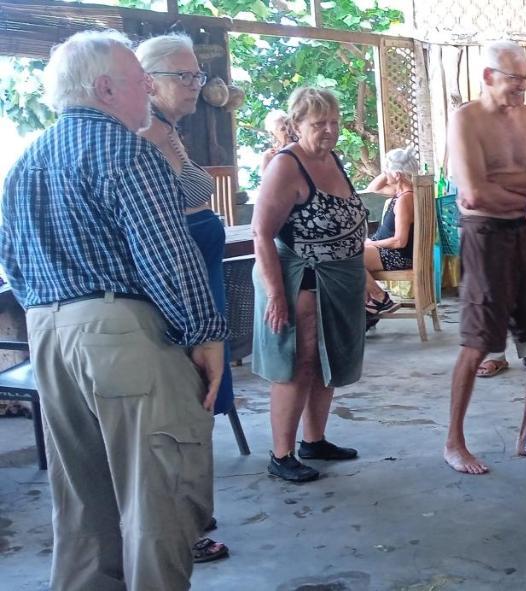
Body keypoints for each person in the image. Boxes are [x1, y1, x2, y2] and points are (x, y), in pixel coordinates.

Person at [0, 30, 227, 590]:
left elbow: (13, 258)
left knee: (83, 505)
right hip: (120, 335)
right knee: (159, 501)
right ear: (105, 87)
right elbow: (168, 257)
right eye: (138, 79)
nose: (148, 89)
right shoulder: (123, 148)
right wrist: (206, 334)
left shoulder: (30, 157)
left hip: (48, 333)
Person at [135, 32, 231, 565]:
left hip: (198, 283)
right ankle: (179, 527)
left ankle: (190, 510)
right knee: (179, 409)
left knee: (198, 404)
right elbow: (175, 214)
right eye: (185, 76)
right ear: (147, 81)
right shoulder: (146, 134)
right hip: (177, 295)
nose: (197, 85)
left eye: (198, 75)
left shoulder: (169, 129)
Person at [252, 87, 367, 483]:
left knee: (326, 359)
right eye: (319, 124)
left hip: (338, 280)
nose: (330, 131)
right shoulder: (286, 166)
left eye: (334, 122)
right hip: (303, 279)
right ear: (296, 124)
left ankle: (314, 440)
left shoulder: (332, 158)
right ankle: (281, 453)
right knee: (297, 363)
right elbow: (261, 233)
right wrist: (276, 295)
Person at [444, 40, 526, 474]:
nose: (521, 89)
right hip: (484, 234)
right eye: (513, 80)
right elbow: (473, 192)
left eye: (525, 80)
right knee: (477, 341)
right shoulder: (466, 119)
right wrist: (519, 190)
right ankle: (453, 441)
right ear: (488, 76)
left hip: (525, 233)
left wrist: (504, 183)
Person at [362, 147, 417, 315]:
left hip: (396, 256)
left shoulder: (404, 199)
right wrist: (390, 167)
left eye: (387, 171)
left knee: (348, 258)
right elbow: (373, 188)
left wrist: (373, 243)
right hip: (388, 251)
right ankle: (369, 307)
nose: (385, 174)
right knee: (349, 252)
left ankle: (380, 297)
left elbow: (400, 241)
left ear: (397, 175)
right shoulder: (400, 192)